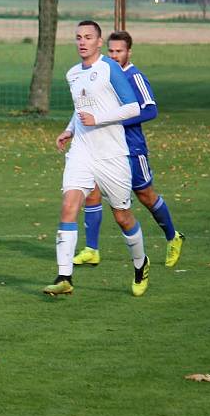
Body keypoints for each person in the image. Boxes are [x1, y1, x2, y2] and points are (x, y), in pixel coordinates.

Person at [44, 20, 150, 297]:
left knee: (122, 216)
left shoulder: (110, 68)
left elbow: (132, 107)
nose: (82, 41)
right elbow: (81, 108)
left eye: (88, 37)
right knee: (69, 204)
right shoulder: (72, 74)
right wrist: (69, 129)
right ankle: (64, 276)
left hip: (112, 155)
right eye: (78, 37)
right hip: (82, 151)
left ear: (98, 42)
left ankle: (141, 264)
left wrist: (98, 119)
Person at [72, 31, 185, 269]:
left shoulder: (134, 77)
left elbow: (150, 110)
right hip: (103, 148)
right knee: (91, 190)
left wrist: (111, 120)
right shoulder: (101, 75)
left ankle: (173, 236)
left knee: (145, 195)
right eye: (111, 51)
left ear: (128, 52)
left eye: (119, 51)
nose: (114, 56)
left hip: (132, 149)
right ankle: (92, 249)